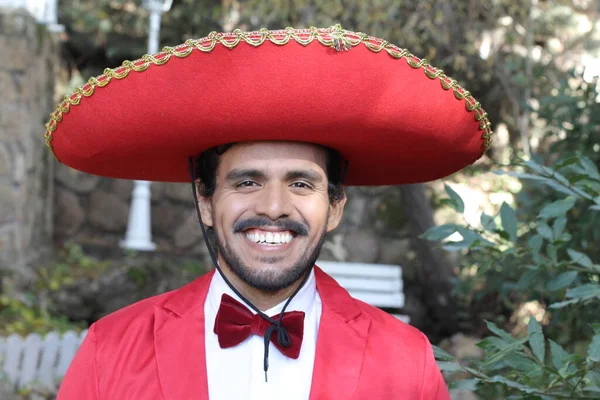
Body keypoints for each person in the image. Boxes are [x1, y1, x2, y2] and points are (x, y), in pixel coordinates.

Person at [47, 25, 492, 399]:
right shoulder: (112, 347)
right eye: (247, 182)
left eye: (301, 183)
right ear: (205, 200)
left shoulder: (406, 361)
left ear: (335, 206)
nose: (273, 208)